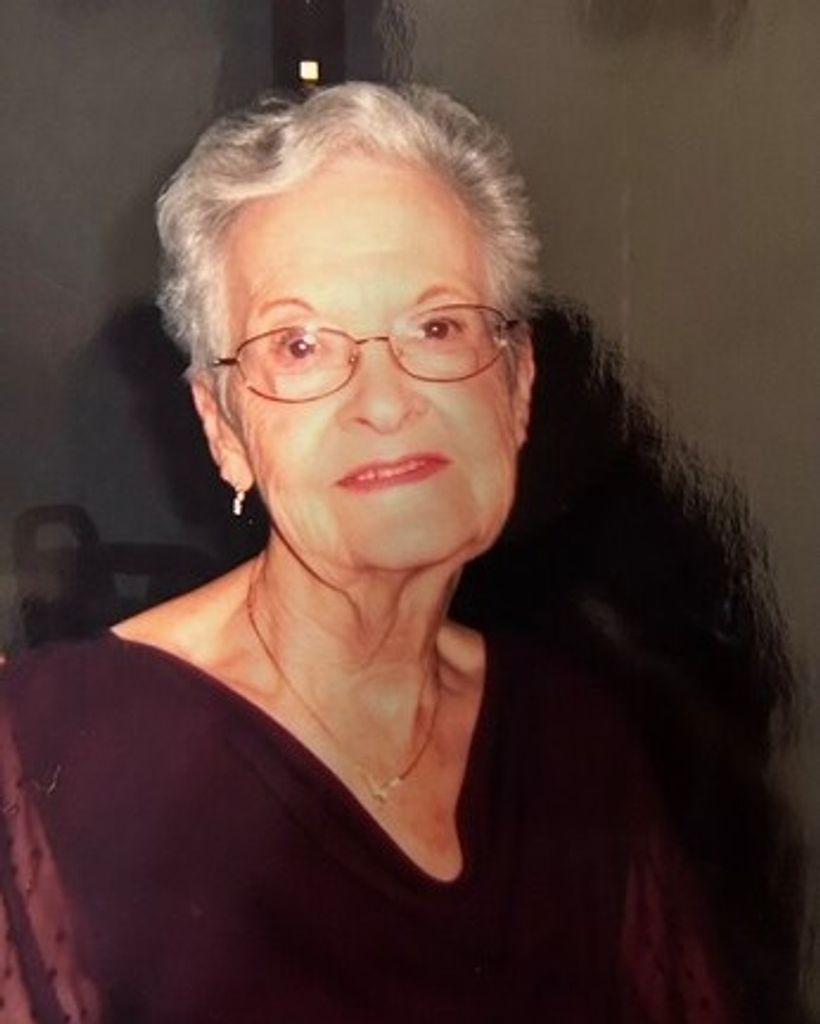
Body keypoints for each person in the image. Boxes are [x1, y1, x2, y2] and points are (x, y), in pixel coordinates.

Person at [0, 83, 735, 1023]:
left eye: (437, 327)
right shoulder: (47, 751)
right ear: (224, 427)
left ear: (516, 388)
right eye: (301, 344)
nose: (385, 402)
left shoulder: (577, 740)